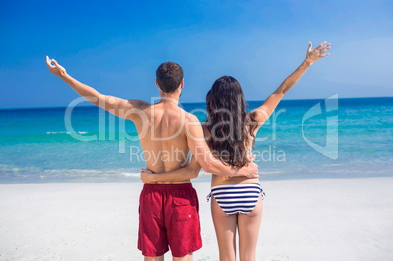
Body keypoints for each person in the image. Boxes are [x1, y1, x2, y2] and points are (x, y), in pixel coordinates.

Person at [45, 58, 259, 261]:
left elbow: (98, 98)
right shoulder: (189, 120)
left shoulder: (140, 111)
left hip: (151, 195)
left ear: (157, 83)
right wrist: (244, 171)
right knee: (183, 256)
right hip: (181, 197)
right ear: (182, 84)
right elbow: (201, 168)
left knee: (152, 257)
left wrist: (64, 76)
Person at [141, 41, 331, 261]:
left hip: (222, 194)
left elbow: (184, 148)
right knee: (248, 256)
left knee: (226, 256)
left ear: (213, 98)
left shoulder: (205, 129)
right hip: (250, 192)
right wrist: (307, 63)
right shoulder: (253, 121)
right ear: (240, 98)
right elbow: (281, 90)